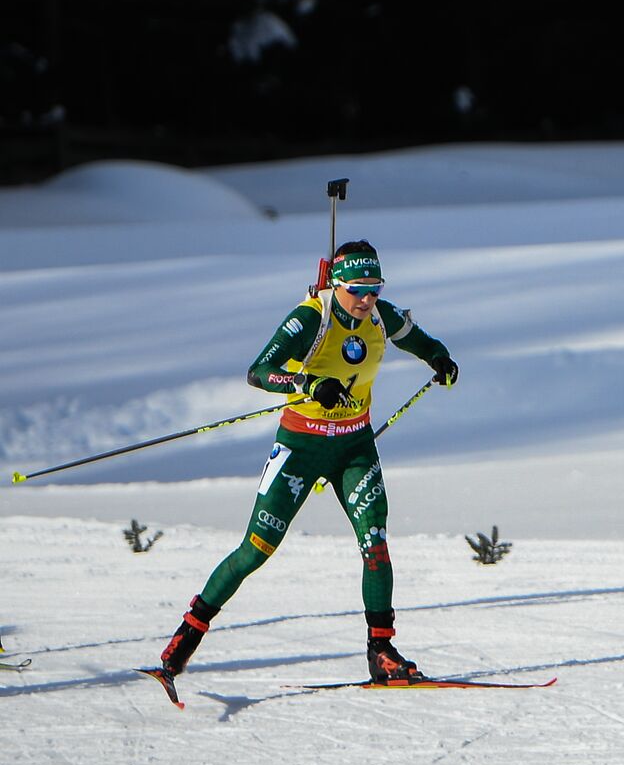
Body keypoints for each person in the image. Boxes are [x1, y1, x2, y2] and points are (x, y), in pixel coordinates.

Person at [154, 240, 459, 685]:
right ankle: (187, 635)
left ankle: (382, 650)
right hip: (302, 446)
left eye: (375, 288)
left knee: (375, 543)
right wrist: (309, 382)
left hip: (354, 446)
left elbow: (422, 341)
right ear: (337, 284)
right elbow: (259, 371)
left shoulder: (380, 315)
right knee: (255, 550)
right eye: (358, 289)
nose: (367, 298)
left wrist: (440, 358)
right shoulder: (310, 317)